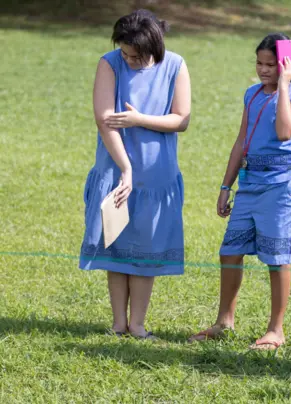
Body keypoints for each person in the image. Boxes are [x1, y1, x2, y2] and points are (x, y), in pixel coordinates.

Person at [188, 33, 291, 351]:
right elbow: (241, 142)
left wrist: (284, 85)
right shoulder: (251, 95)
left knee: (276, 255)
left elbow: (285, 131)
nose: (264, 69)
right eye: (259, 63)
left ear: (286, 64)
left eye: (272, 64)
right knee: (229, 251)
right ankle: (224, 321)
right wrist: (225, 185)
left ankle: (276, 330)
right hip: (249, 184)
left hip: (281, 186)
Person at [79, 9, 191, 339]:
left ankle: (137, 324)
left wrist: (140, 119)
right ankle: (118, 323)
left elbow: (181, 119)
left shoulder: (175, 65)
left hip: (157, 174)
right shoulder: (108, 63)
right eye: (124, 53)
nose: (127, 59)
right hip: (115, 169)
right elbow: (104, 119)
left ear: (153, 49)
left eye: (135, 56)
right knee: (116, 244)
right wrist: (125, 168)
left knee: (146, 247)